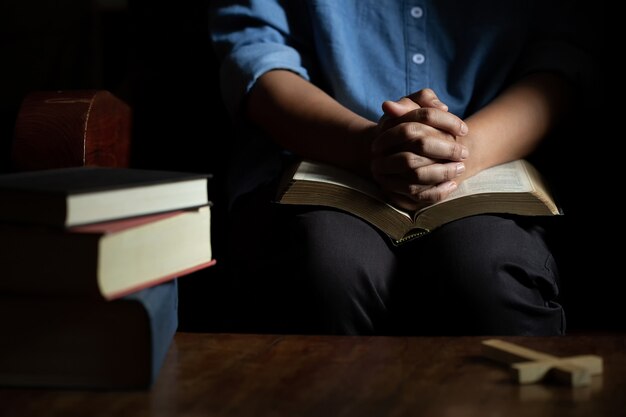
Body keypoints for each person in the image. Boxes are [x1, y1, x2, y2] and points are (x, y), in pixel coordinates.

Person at [208, 1, 593, 335]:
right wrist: (365, 146)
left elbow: (563, 55)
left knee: (489, 273)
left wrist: (463, 148)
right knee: (328, 267)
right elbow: (256, 55)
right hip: (320, 153)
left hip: (494, 154)